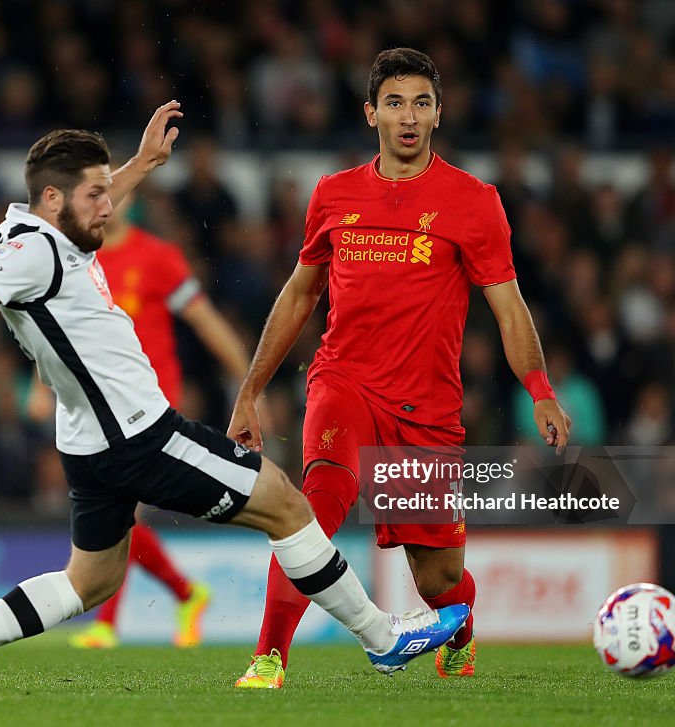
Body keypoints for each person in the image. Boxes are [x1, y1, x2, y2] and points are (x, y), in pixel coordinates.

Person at [0, 101, 470, 693]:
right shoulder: (28, 254)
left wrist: (142, 163)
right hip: (140, 436)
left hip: (88, 445)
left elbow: (88, 208)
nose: (109, 205)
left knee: (89, 580)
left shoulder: (46, 230)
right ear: (51, 197)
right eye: (96, 194)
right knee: (288, 505)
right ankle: (383, 639)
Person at [226, 49, 571, 689]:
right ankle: (269, 657)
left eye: (420, 102)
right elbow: (300, 293)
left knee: (437, 579)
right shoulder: (334, 195)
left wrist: (540, 391)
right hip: (342, 382)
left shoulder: (474, 202)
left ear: (439, 113)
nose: (407, 116)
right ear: (370, 114)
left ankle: (458, 638)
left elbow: (508, 306)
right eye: (394, 102)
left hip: (426, 409)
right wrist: (250, 391)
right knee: (312, 505)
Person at [63, 191, 251, 649]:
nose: (107, 201)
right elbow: (67, 328)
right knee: (123, 512)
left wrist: (250, 381)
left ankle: (108, 624)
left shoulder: (157, 257)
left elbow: (205, 319)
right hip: (97, 404)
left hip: (151, 399)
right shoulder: (75, 260)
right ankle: (187, 594)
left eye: (113, 190)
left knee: (125, 508)